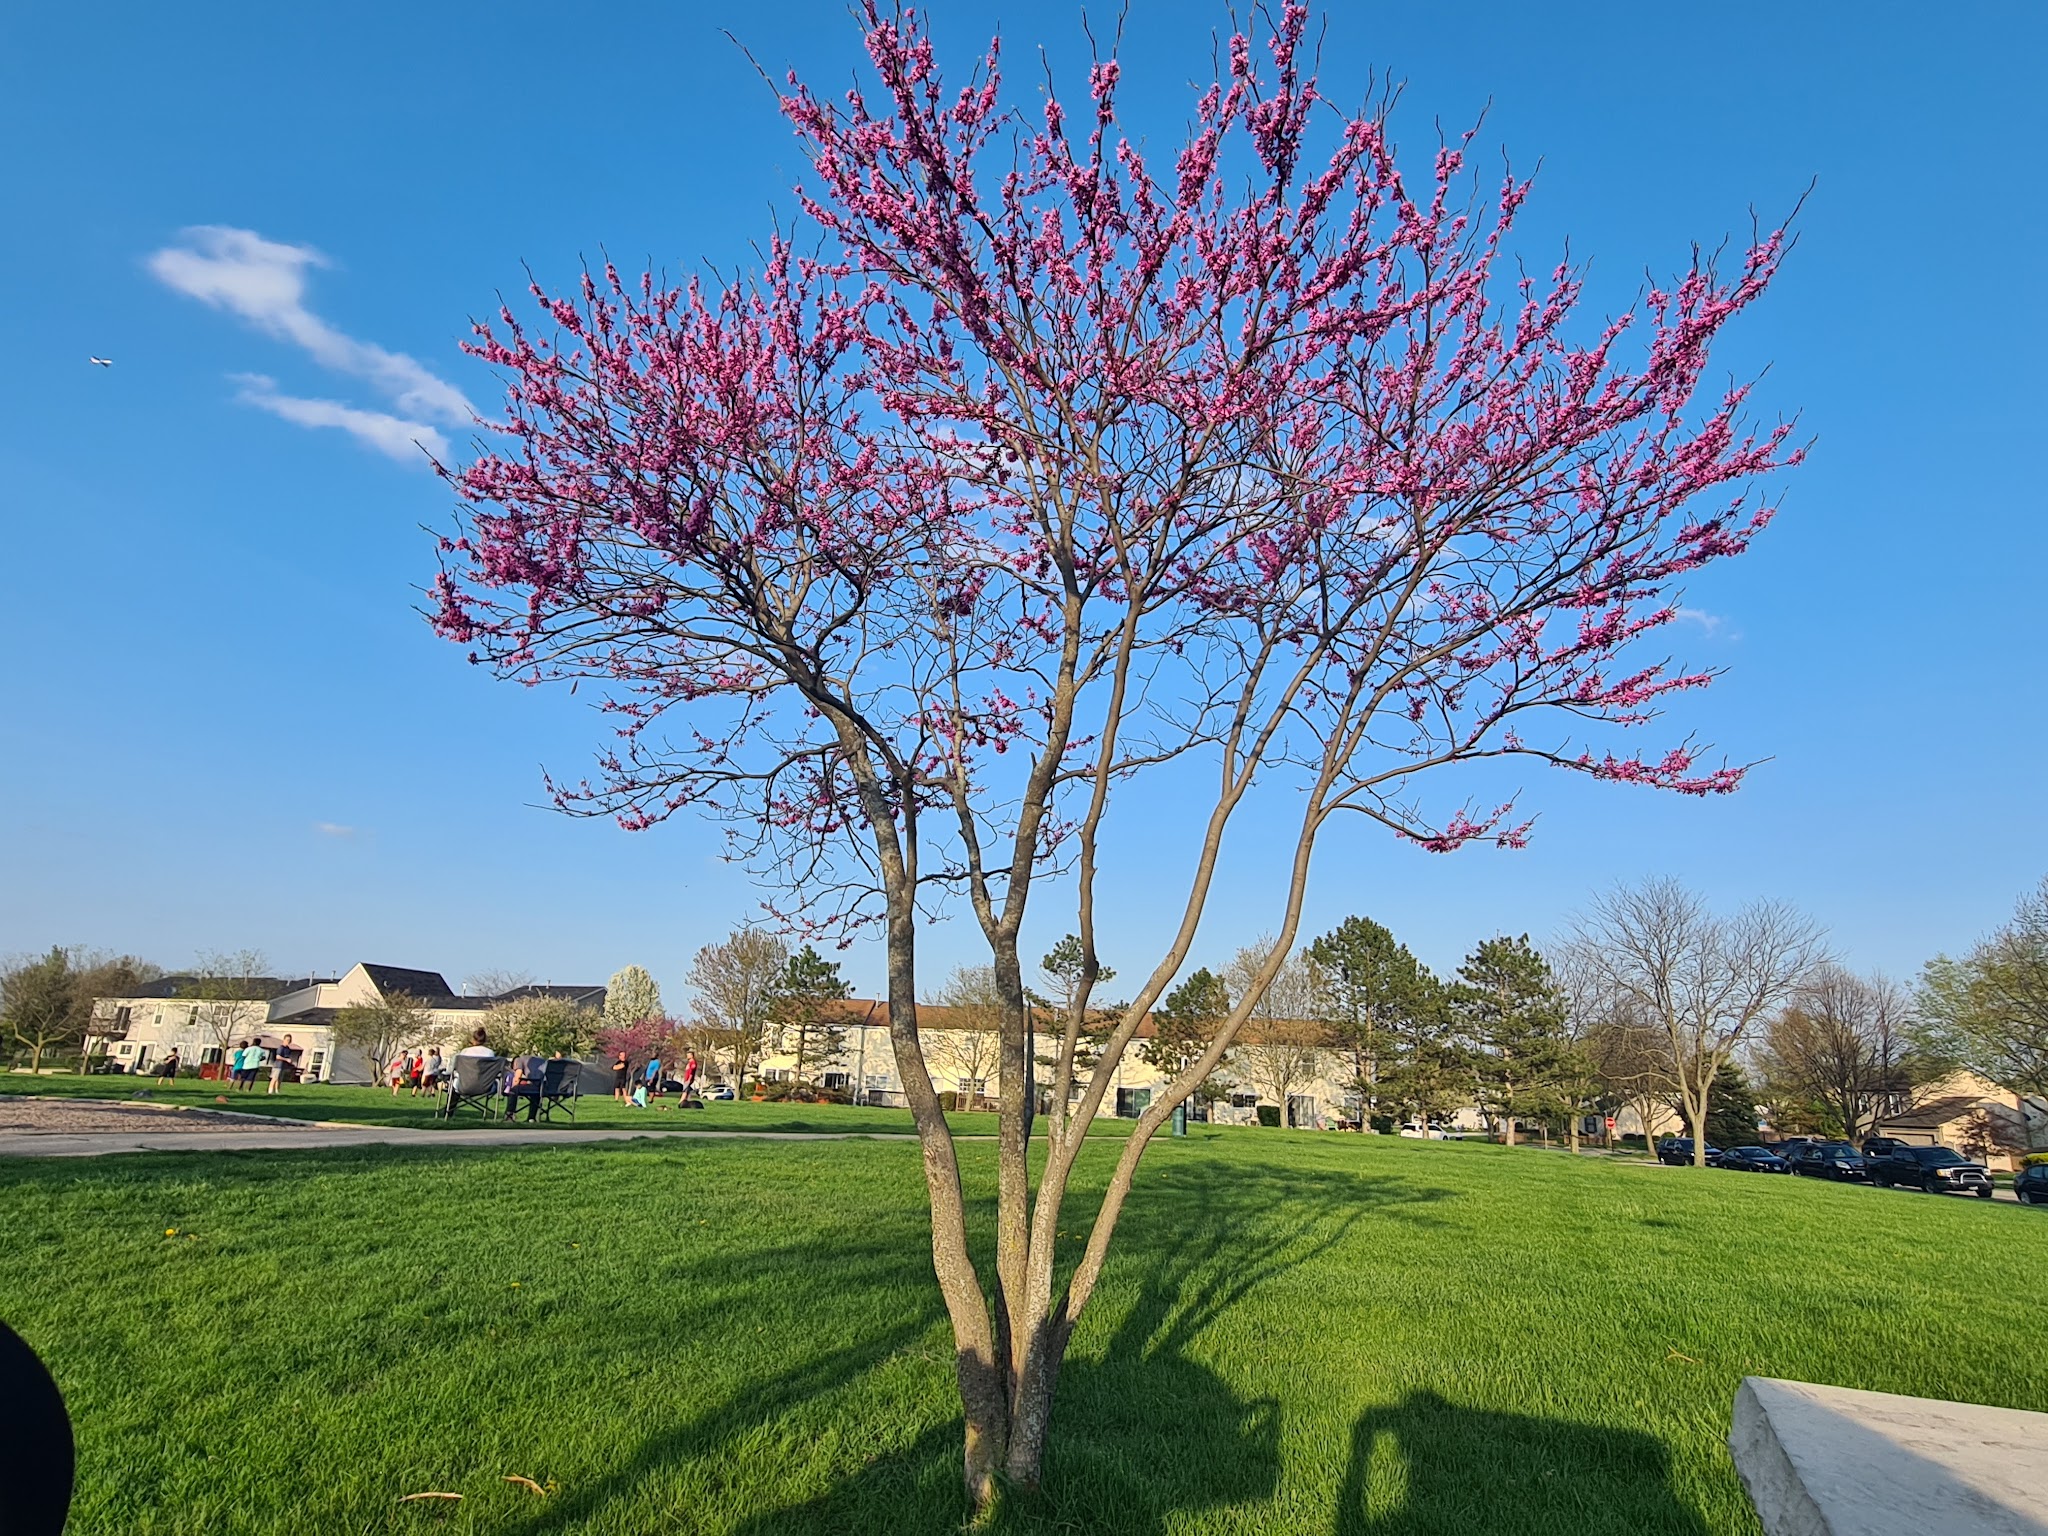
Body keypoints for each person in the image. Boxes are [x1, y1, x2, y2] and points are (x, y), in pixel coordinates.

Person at [503, 1054, 545, 1122]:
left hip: (536, 1086)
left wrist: (512, 1086)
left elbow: (517, 1077)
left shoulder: (518, 1060)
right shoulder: (541, 1060)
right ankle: (532, 1118)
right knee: (536, 1091)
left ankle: (509, 1115)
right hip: (545, 1087)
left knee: (513, 1089)